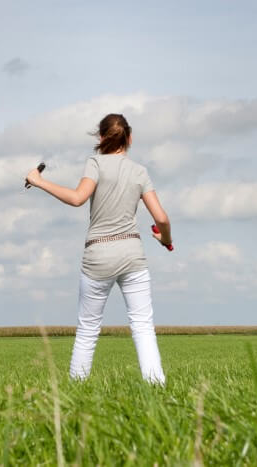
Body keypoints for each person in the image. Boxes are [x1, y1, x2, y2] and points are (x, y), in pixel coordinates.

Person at [25, 113, 172, 384]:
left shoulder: (95, 163)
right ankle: (156, 386)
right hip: (132, 254)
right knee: (142, 326)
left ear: (101, 138)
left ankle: (77, 389)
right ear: (130, 138)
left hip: (98, 254)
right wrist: (165, 239)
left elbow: (77, 198)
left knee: (88, 328)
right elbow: (161, 218)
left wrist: (38, 181)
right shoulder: (140, 172)